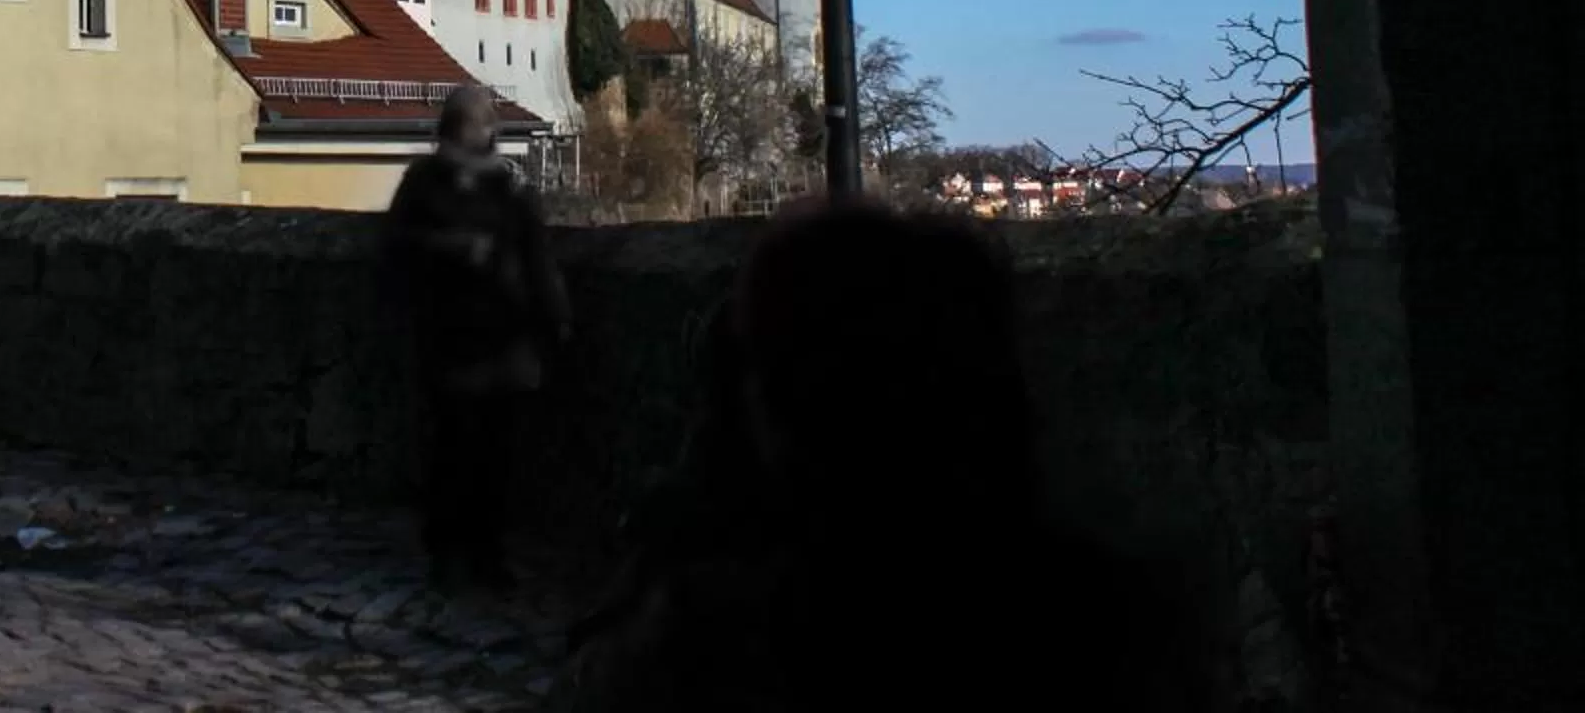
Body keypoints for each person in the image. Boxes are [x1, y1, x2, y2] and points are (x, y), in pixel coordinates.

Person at [556, 198, 1216, 713]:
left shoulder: (712, 642)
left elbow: (590, 685)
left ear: (778, 403)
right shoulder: (1109, 624)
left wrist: (686, 514)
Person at [383, 83, 570, 594]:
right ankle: (451, 553)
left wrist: (554, 318)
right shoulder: (427, 184)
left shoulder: (505, 189)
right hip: (452, 340)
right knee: (454, 451)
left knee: (493, 456)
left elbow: (536, 259)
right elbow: (397, 250)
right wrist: (454, 248)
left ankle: (484, 554)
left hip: (499, 343)